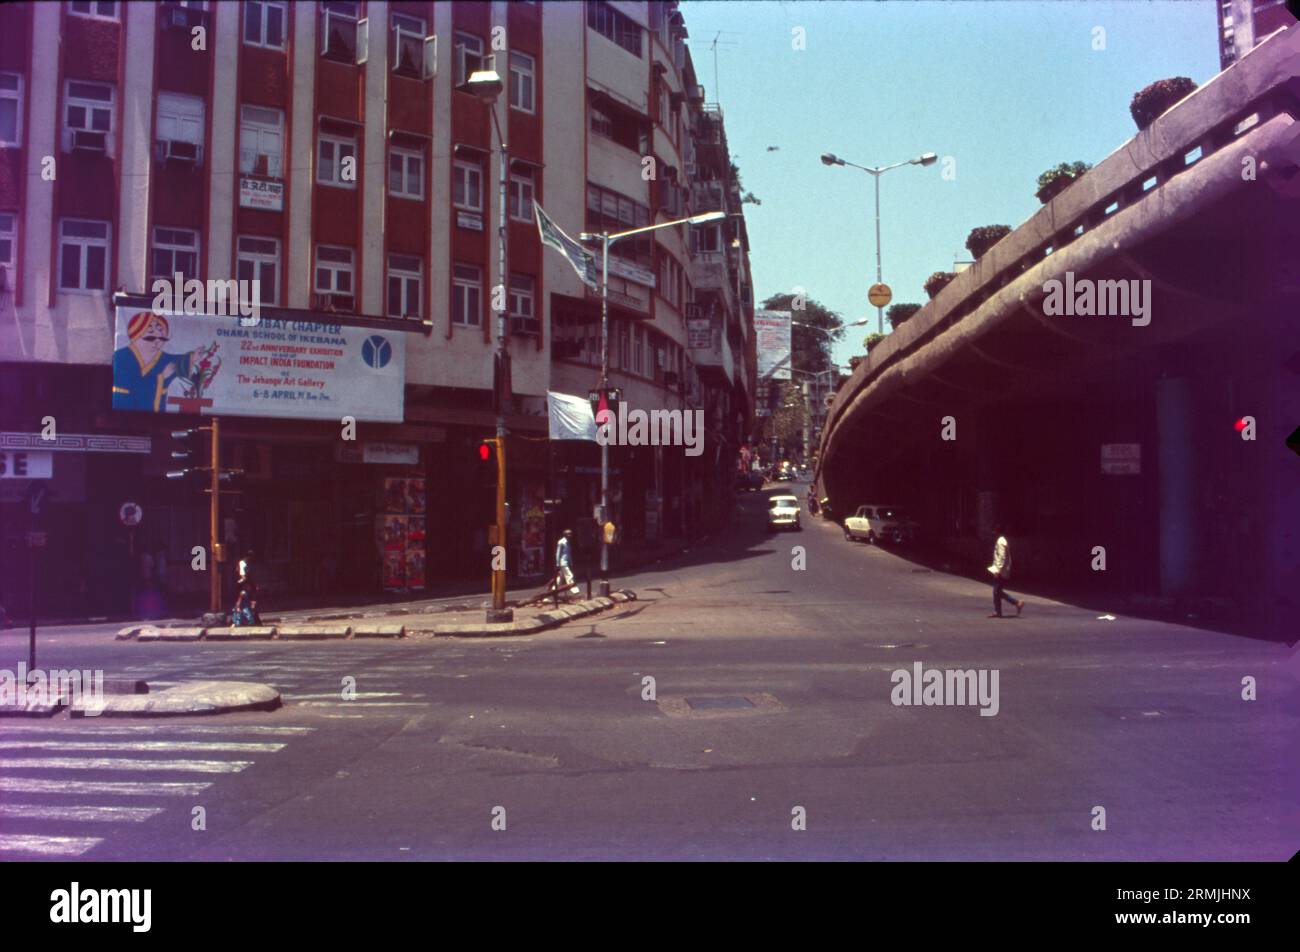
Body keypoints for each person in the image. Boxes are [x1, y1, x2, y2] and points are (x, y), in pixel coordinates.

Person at [987, 524, 1025, 618]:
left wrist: (998, 570)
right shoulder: (1002, 540)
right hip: (1000, 569)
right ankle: (998, 611)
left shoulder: (1000, 541)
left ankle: (1016, 603)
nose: (992, 533)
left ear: (996, 531)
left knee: (997, 591)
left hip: (1000, 570)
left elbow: (1002, 557)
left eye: (993, 530)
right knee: (997, 591)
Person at [233, 550, 261, 626]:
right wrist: (245, 585)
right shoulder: (243, 563)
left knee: (252, 602)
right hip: (245, 586)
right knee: (243, 603)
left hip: (249, 585)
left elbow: (251, 576)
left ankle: (253, 619)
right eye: (251, 556)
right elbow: (243, 576)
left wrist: (254, 585)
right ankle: (242, 620)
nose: (252, 558)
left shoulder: (249, 563)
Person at [554, 529, 580, 597]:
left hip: (567, 562)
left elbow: (568, 553)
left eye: (570, 534)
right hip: (563, 562)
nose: (570, 535)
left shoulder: (568, 542)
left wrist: (571, 562)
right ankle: (574, 589)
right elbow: (558, 553)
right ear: (565, 535)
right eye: (569, 534)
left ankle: (554, 590)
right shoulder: (561, 542)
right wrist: (557, 564)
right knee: (569, 575)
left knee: (560, 578)